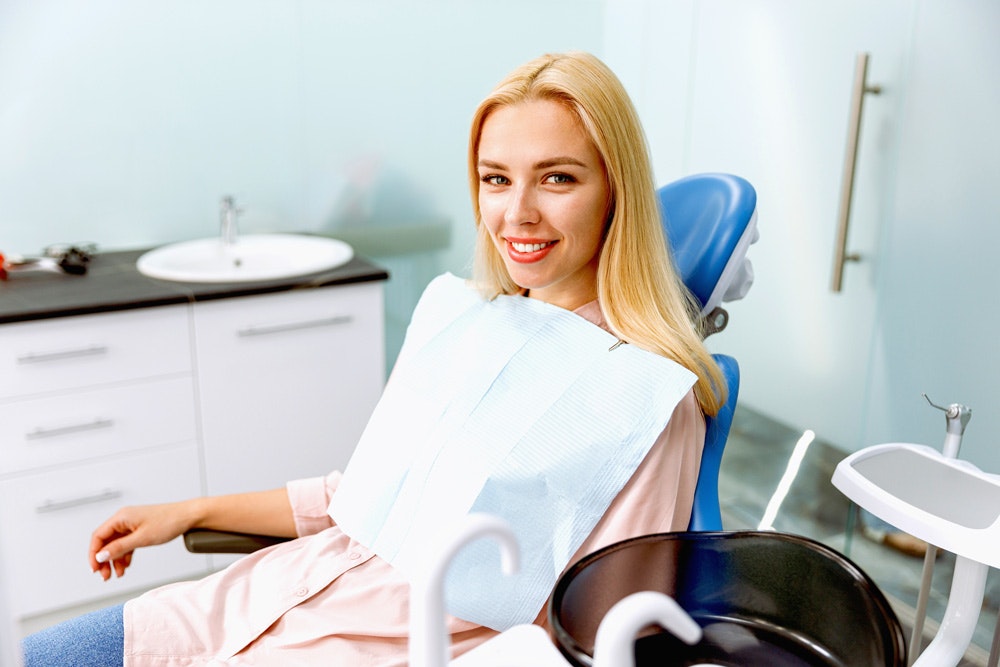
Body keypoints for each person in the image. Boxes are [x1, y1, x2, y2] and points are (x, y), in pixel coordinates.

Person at [22, 50, 725, 666]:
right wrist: (187, 509)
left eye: (558, 178)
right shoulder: (478, 322)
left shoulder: (644, 395)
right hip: (271, 596)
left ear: (615, 191)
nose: (516, 215)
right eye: (496, 179)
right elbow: (365, 494)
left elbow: (598, 634)